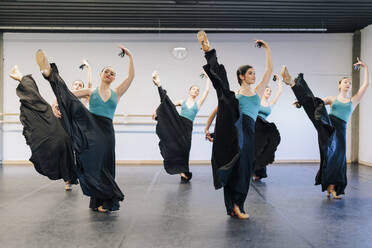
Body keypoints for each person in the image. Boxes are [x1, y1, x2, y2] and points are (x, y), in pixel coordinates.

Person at [35, 44, 134, 212]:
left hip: (107, 131)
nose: (109, 74)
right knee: (94, 163)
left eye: (113, 73)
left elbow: (131, 76)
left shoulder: (117, 92)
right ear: (100, 75)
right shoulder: (90, 90)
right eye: (107, 72)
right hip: (91, 126)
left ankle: (103, 201)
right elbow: (66, 96)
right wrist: (54, 104)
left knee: (106, 164)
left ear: (114, 78)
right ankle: (50, 73)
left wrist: (130, 56)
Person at [199, 30, 272, 219]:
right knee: (238, 169)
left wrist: (267, 49)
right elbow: (218, 110)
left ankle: (235, 205)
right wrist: (208, 127)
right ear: (241, 76)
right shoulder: (237, 97)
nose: (254, 76)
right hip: (239, 132)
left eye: (254, 73)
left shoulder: (256, 92)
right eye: (250, 73)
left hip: (251, 133)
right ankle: (237, 206)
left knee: (245, 169)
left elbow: (269, 71)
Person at [281, 57, 369, 199]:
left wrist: (365, 68)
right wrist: (302, 102)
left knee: (337, 159)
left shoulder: (353, 100)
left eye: (350, 83)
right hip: (327, 125)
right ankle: (292, 83)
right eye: (345, 82)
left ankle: (332, 187)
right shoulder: (332, 98)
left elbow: (366, 85)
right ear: (339, 85)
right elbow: (316, 103)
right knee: (315, 104)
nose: (348, 84)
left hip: (340, 133)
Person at [9, 65, 78, 189]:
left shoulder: (81, 99)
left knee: (68, 152)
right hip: (58, 125)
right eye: (76, 84)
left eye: (80, 85)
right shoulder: (63, 95)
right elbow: (53, 102)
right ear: (71, 86)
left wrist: (88, 69)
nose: (77, 86)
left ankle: (69, 178)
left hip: (73, 129)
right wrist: (54, 108)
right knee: (41, 106)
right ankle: (22, 78)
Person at [152, 70, 210, 183]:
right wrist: (156, 111)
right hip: (179, 124)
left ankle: (183, 171)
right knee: (175, 146)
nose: (196, 91)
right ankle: (159, 85)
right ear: (189, 91)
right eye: (194, 89)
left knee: (185, 150)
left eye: (198, 90)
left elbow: (207, 91)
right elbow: (167, 105)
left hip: (188, 127)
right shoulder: (182, 101)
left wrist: (208, 78)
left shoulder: (197, 103)